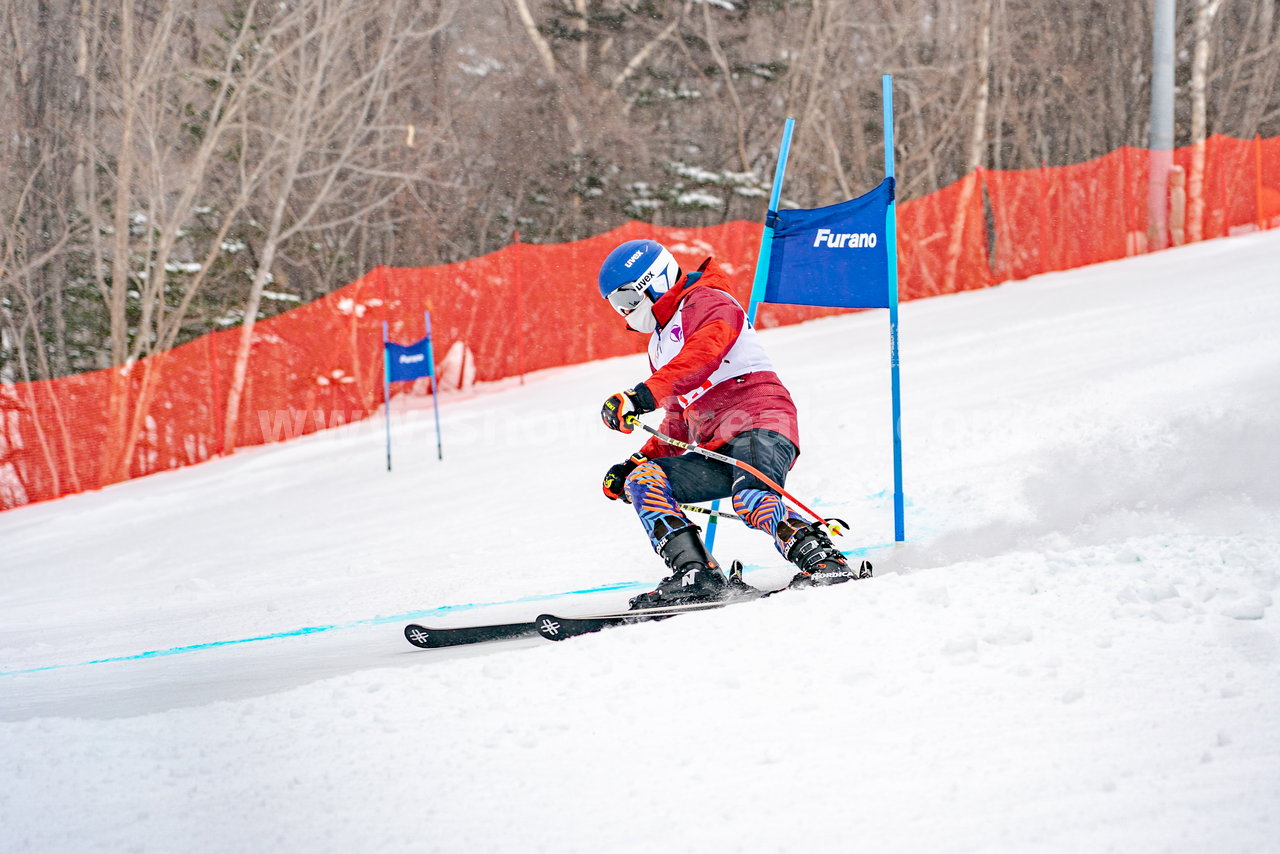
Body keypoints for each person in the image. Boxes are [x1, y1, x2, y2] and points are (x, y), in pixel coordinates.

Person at [596, 238, 861, 609]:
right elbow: (678, 418)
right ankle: (696, 575)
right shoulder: (658, 343)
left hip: (760, 419)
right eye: (615, 306)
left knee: (751, 497)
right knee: (645, 480)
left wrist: (641, 396)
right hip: (714, 444)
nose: (624, 313)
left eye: (626, 301)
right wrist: (635, 462)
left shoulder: (708, 300)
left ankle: (823, 560)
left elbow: (703, 354)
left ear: (650, 282)